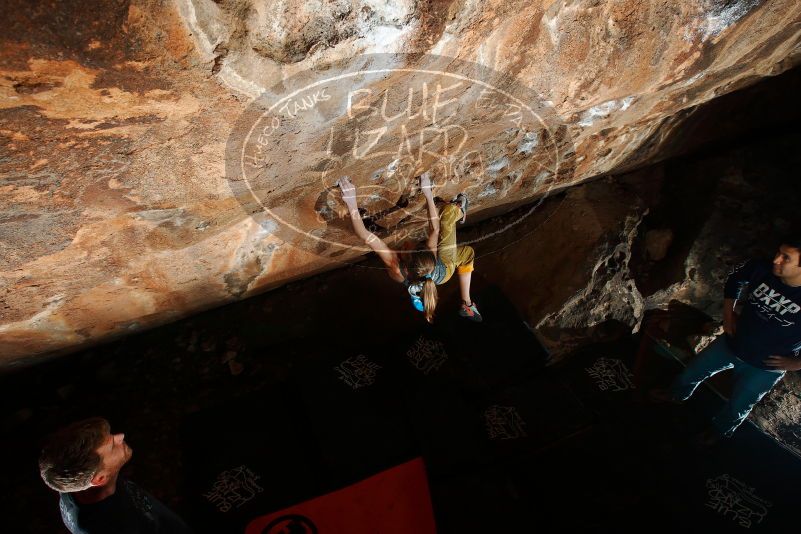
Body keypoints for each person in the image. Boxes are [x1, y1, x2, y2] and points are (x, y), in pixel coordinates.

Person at [651, 238, 801, 442]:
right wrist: (728, 315)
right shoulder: (762, 268)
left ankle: (718, 431)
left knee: (739, 405)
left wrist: (797, 363)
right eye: (778, 253)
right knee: (693, 371)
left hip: (765, 367)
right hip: (732, 342)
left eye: (786, 258)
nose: (776, 260)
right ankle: (675, 395)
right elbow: (736, 278)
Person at [337, 172, 482, 323]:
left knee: (451, 225)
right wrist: (428, 193)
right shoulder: (430, 258)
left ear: (405, 261)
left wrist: (351, 203)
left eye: (409, 247)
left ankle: (467, 304)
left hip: (428, 269)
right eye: (413, 245)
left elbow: (364, 235)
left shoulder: (395, 267)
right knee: (453, 226)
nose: (407, 243)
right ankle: (467, 302)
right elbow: (435, 229)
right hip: (444, 271)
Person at [38, 417, 193, 533]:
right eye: (113, 446)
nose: (121, 436)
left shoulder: (72, 480)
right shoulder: (114, 527)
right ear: (99, 479)